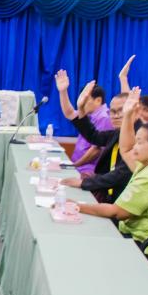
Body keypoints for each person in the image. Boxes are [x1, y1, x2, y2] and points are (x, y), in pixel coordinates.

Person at [74, 88, 148, 261]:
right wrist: (127, 115)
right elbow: (126, 148)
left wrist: (76, 206)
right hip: (143, 235)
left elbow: (116, 212)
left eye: (139, 143)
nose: (135, 147)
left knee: (91, 244)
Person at [56, 70, 133, 203]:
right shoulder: (115, 131)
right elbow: (93, 135)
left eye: (121, 111)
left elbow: (118, 174)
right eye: (113, 112)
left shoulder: (105, 118)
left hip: (109, 187)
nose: (116, 116)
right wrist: (68, 95)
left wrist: (81, 177)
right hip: (106, 188)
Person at [69, 83, 112, 175]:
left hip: (87, 169)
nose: (82, 103)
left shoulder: (104, 117)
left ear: (98, 100)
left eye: (85, 100)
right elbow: (69, 113)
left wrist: (75, 165)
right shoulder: (90, 115)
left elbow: (96, 150)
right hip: (78, 166)